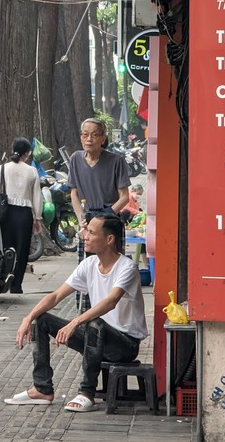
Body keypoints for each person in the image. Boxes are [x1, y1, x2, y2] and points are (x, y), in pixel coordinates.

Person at [4, 214, 148, 412]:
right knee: (41, 320)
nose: (84, 236)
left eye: (91, 232)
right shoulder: (88, 265)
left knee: (94, 322)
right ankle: (42, 388)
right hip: (94, 337)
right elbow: (55, 296)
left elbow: (111, 301)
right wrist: (27, 318)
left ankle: (86, 392)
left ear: (109, 239)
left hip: (124, 344)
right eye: (86, 231)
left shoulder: (127, 267)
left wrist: (75, 322)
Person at [67, 118, 130, 310]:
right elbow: (74, 193)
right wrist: (81, 222)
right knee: (85, 271)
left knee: (112, 269)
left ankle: (111, 313)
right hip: (88, 223)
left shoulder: (116, 161)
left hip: (109, 221)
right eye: (85, 134)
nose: (89, 139)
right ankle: (85, 315)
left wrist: (105, 216)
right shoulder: (75, 159)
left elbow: (124, 197)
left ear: (103, 138)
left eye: (94, 134)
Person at [0, 137, 44, 294]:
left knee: (4, 248)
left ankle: (2, 279)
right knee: (22, 250)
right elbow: (37, 197)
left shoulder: (2, 168)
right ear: (27, 153)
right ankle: (16, 285)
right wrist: (37, 218)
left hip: (4, 212)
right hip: (24, 215)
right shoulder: (32, 171)